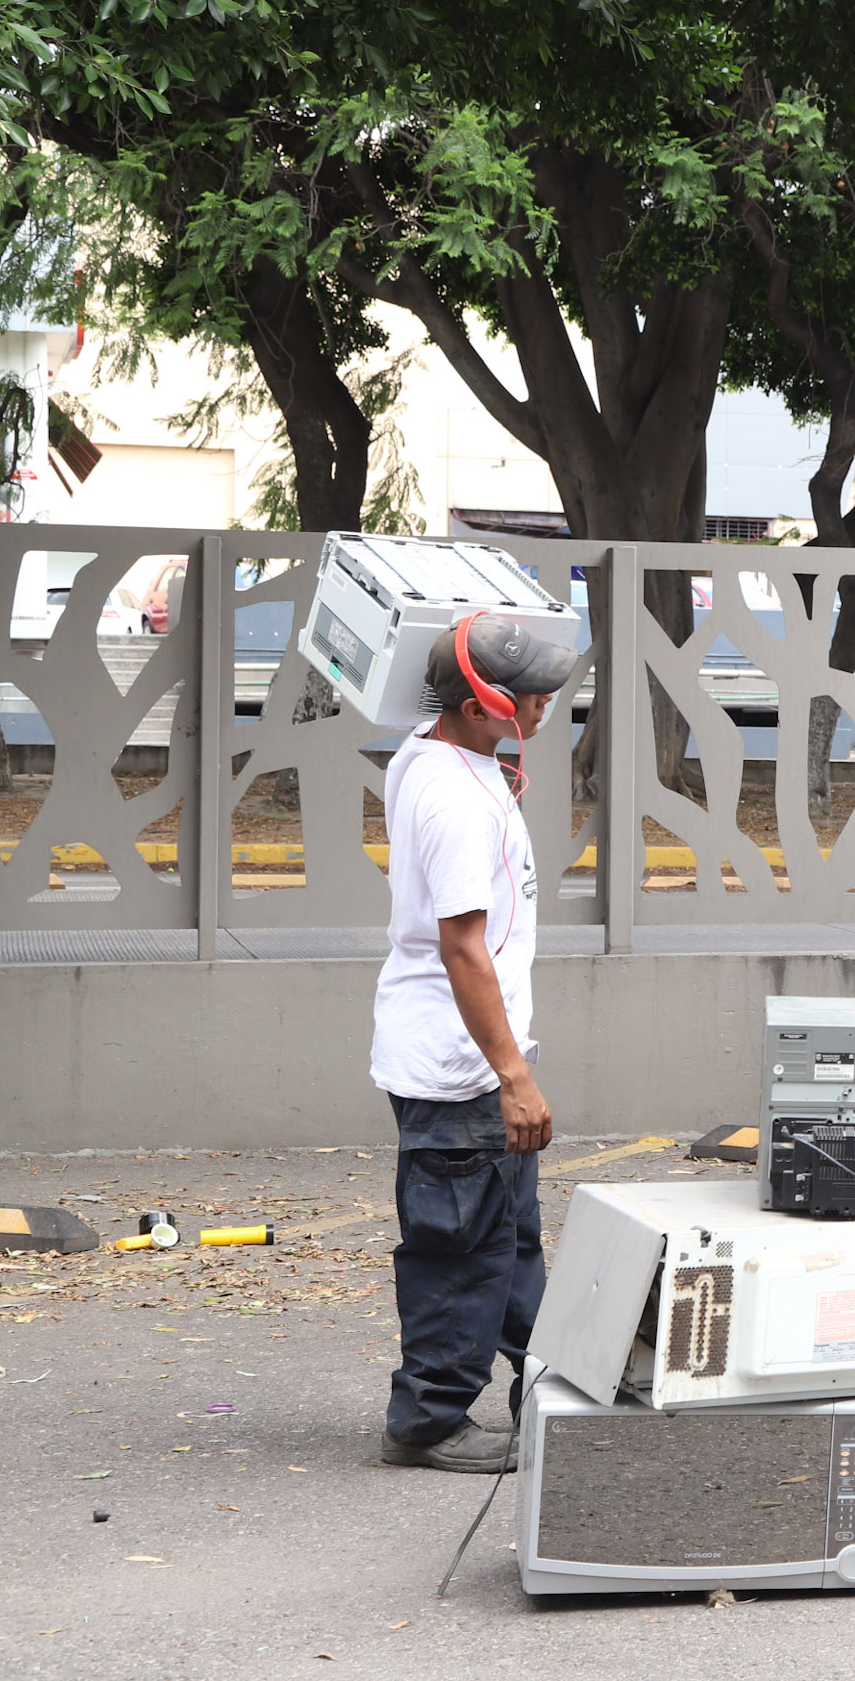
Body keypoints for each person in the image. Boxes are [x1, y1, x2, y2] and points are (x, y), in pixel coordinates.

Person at [369, 614, 576, 1474]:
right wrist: (513, 1075)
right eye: (532, 697)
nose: (545, 707)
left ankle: (559, 1388)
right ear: (481, 701)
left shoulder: (443, 753)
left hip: (463, 1056)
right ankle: (428, 1420)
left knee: (508, 1239)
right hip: (460, 1068)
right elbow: (462, 946)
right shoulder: (453, 797)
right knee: (459, 1251)